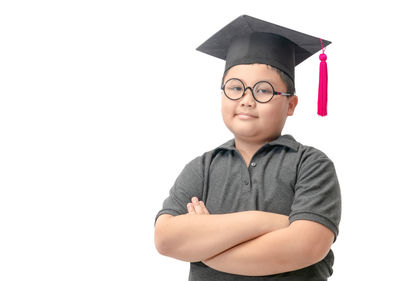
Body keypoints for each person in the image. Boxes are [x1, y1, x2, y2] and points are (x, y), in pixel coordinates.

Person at [154, 14, 342, 281]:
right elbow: (166, 239)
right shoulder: (202, 168)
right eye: (235, 88)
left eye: (263, 91)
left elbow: (307, 246)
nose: (246, 100)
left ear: (290, 104)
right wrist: (267, 222)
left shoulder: (310, 164)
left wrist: (206, 247)